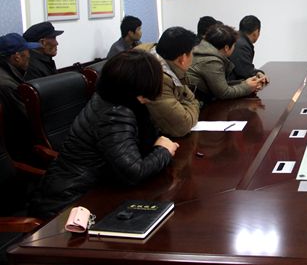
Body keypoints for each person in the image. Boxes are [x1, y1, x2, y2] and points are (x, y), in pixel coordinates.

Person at [28, 51, 179, 219]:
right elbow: (135, 172)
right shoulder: (114, 114)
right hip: (73, 202)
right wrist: (163, 151)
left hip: (94, 186)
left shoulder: (111, 98)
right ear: (138, 86)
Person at [136, 27, 200, 137]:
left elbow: (191, 98)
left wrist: (187, 106)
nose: (193, 57)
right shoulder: (157, 78)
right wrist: (191, 107)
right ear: (183, 58)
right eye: (192, 53)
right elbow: (182, 126)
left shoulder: (164, 60)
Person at [188, 25, 262, 102]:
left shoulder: (203, 51)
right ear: (226, 48)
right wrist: (248, 87)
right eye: (234, 45)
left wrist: (244, 83)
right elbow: (224, 93)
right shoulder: (211, 61)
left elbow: (221, 84)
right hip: (197, 104)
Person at [0, 33, 41, 162]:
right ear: (17, 57)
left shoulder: (7, 73)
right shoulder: (8, 85)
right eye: (27, 51)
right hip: (18, 149)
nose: (29, 55)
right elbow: (29, 118)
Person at [230, 15, 269, 84]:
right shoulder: (242, 45)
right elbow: (245, 73)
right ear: (256, 32)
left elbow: (246, 67)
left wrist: (258, 72)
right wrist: (258, 73)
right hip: (232, 85)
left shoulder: (237, 39)